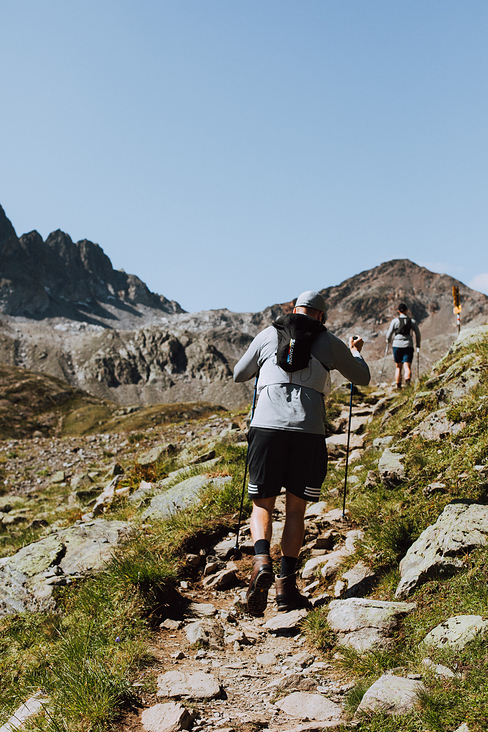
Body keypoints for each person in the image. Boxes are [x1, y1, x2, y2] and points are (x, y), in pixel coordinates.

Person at [233, 290, 370, 616]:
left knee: (262, 504)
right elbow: (361, 378)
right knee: (296, 511)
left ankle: (262, 559)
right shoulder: (330, 341)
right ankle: (286, 589)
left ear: (293, 310)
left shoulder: (268, 335)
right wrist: (354, 353)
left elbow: (239, 374)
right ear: (321, 316)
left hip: (266, 430)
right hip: (308, 433)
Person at [386, 303, 421, 389]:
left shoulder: (395, 321)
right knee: (407, 366)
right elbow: (417, 334)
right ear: (406, 310)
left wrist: (388, 340)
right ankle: (407, 383)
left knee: (398, 366)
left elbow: (389, 333)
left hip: (397, 345)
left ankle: (398, 386)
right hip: (408, 345)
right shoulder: (412, 321)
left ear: (398, 311)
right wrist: (418, 344)